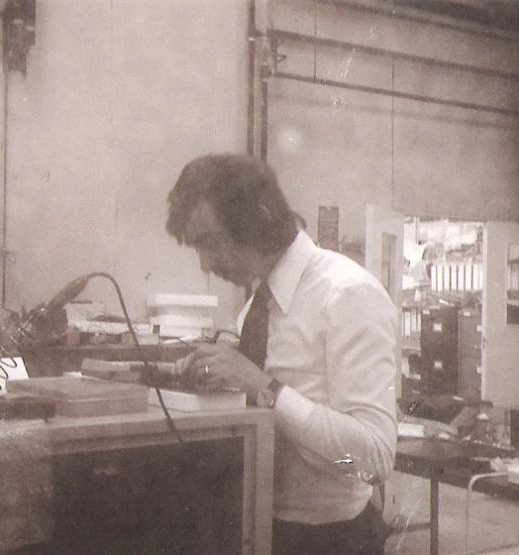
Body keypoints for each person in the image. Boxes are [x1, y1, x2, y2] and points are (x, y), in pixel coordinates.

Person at [165, 153, 398, 554]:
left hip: (330, 540)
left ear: (257, 221)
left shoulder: (347, 295)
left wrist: (265, 389)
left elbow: (373, 461)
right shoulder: (257, 306)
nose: (206, 263)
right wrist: (213, 378)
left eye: (211, 243)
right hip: (260, 525)